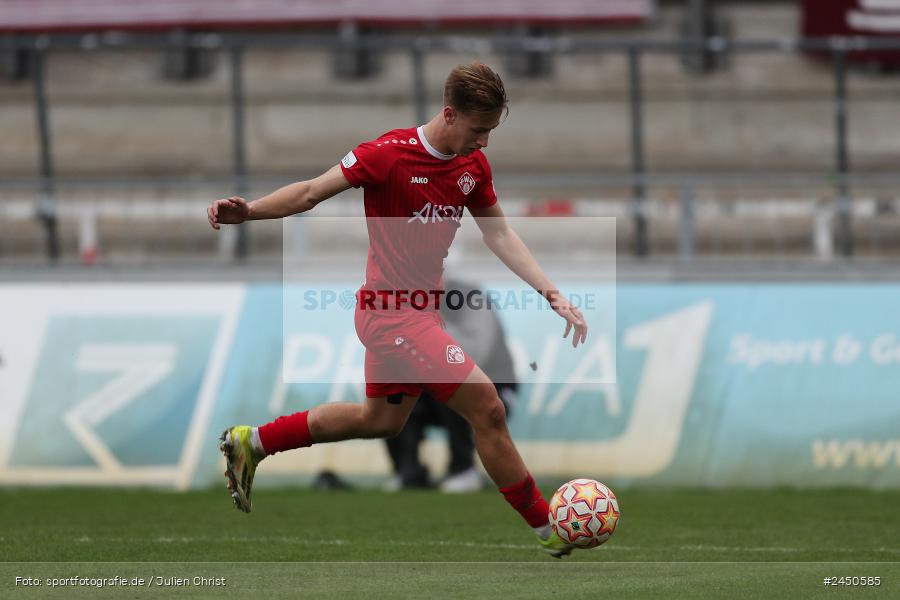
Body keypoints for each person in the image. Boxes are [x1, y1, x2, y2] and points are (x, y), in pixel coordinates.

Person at [206, 61, 588, 558]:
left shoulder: (473, 168)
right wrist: (250, 211)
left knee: (380, 421)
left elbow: (498, 232)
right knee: (488, 407)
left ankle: (252, 442)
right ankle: (548, 528)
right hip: (389, 313)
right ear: (449, 114)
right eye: (478, 130)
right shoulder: (384, 155)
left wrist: (550, 291)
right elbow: (309, 193)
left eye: (491, 131)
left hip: (421, 314)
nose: (485, 143)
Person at [384, 277, 518, 493]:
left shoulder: (470, 297)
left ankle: (463, 469)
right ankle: (407, 471)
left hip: (495, 388)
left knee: (452, 381)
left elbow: (476, 354)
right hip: (435, 390)